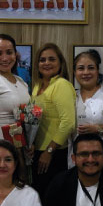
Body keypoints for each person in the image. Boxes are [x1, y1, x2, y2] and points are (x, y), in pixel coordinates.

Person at [31, 43, 76, 197]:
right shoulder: (37, 86)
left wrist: (49, 151)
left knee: (50, 201)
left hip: (54, 153)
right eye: (42, 60)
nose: (47, 63)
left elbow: (68, 122)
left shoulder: (61, 85)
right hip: (38, 151)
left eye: (52, 59)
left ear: (60, 63)